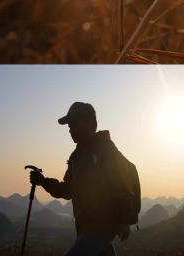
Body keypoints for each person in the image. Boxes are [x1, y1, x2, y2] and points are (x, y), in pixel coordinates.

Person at [29, 102, 139, 256]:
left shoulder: (104, 149)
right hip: (87, 227)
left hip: (101, 226)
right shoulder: (76, 157)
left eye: (73, 123)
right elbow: (68, 190)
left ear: (88, 123)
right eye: (68, 125)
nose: (69, 129)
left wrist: (124, 220)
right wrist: (43, 181)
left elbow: (122, 184)